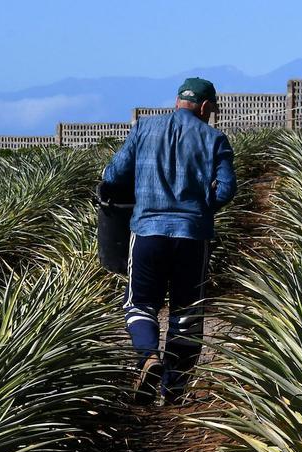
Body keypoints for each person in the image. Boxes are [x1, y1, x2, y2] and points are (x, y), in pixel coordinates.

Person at [100, 77, 237, 405]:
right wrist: (202, 209)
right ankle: (173, 391)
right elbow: (227, 189)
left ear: (178, 101)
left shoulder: (144, 129)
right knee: (187, 312)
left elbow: (113, 175)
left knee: (139, 304)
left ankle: (148, 358)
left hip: (147, 232)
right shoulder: (214, 138)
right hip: (192, 236)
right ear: (204, 107)